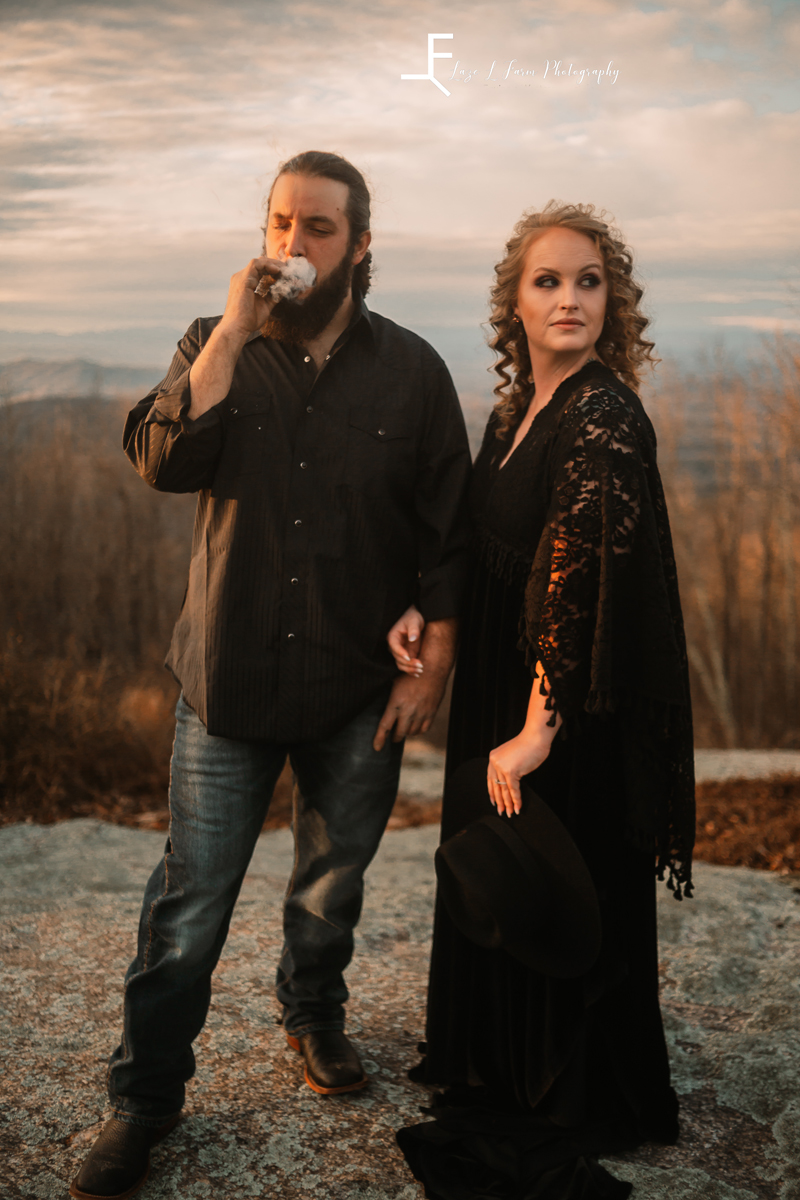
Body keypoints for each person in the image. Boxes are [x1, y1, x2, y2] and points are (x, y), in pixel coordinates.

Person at [69, 150, 472, 1200]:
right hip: (228, 680)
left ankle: (313, 1015)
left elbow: (448, 533)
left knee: (331, 885)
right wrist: (232, 332)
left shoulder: (413, 371)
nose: (293, 245)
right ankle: (143, 1101)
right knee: (189, 907)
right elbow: (160, 461)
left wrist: (431, 662)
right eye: (280, 223)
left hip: (356, 684)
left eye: (319, 227)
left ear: (361, 244)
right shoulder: (215, 343)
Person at [387, 202, 695, 1200]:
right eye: (547, 281)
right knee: (502, 884)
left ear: (614, 303)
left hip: (561, 713)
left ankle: (562, 1087)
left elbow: (578, 584)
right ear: (512, 304)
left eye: (588, 281)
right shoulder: (514, 410)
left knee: (552, 885)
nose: (569, 298)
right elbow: (488, 547)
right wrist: (425, 611)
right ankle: (498, 1058)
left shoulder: (604, 415)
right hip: (500, 688)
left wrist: (534, 730)